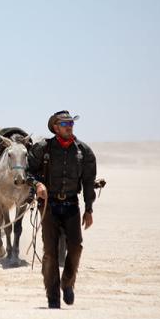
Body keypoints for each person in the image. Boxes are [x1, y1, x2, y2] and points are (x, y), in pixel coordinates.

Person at [27, 110, 99, 308]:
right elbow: (27, 172)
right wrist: (37, 185)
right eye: (65, 123)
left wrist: (89, 209)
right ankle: (52, 297)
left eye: (71, 123)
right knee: (50, 253)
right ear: (56, 127)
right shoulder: (43, 148)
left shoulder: (83, 151)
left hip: (71, 206)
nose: (69, 126)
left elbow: (88, 182)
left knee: (76, 246)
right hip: (49, 207)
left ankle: (68, 283)